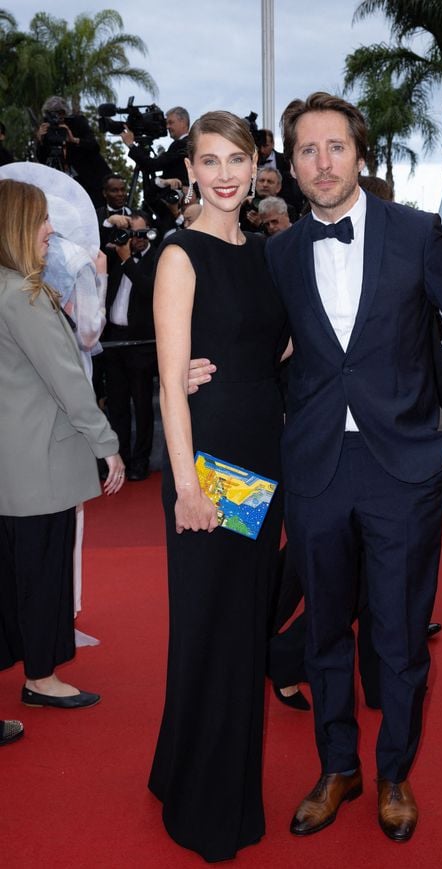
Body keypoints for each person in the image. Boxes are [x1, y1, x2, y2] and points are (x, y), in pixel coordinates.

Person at [265, 92, 442, 843]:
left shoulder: (415, 233)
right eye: (307, 150)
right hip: (316, 467)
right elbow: (264, 350)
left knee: (398, 638)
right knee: (325, 630)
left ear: (359, 153)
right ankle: (340, 766)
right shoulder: (280, 252)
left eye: (335, 146)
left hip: (402, 466)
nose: (322, 162)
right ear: (292, 164)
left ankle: (393, 772)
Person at [148, 111, 288, 862]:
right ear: (192, 170)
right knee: (217, 628)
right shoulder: (179, 254)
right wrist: (186, 487)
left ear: (257, 162)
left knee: (239, 622)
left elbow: (281, 339)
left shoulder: (264, 252)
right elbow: (172, 383)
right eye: (211, 160)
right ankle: (206, 803)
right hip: (214, 466)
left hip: (266, 454)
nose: (227, 173)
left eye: (238, 158)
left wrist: (226, 361)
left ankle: (178, 766)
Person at [0, 178, 124, 709]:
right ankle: (42, 677)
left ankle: (36, 672)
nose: (50, 230)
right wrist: (107, 443)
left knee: (16, 577)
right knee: (41, 573)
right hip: (37, 463)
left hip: (17, 459)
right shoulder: (22, 295)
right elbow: (68, 379)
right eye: (42, 220)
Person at [102, 211, 158, 481]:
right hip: (113, 342)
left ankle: (140, 461)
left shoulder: (158, 258)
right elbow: (97, 241)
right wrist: (113, 225)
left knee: (143, 406)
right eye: (129, 233)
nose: (132, 240)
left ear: (149, 232)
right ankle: (118, 458)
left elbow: (150, 290)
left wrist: (127, 260)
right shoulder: (113, 254)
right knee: (117, 406)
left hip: (142, 345)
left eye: (138, 233)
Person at [35, 96, 111, 207]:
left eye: (60, 113)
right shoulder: (47, 127)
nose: (57, 117)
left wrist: (74, 139)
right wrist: (40, 140)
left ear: (65, 112)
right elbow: (42, 158)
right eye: (51, 113)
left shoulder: (77, 122)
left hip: (91, 178)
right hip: (65, 180)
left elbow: (94, 146)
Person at [121, 106, 190, 187]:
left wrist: (131, 145)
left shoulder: (182, 144)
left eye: (171, 122)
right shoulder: (192, 143)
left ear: (183, 122)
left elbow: (153, 165)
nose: (167, 127)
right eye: (166, 123)